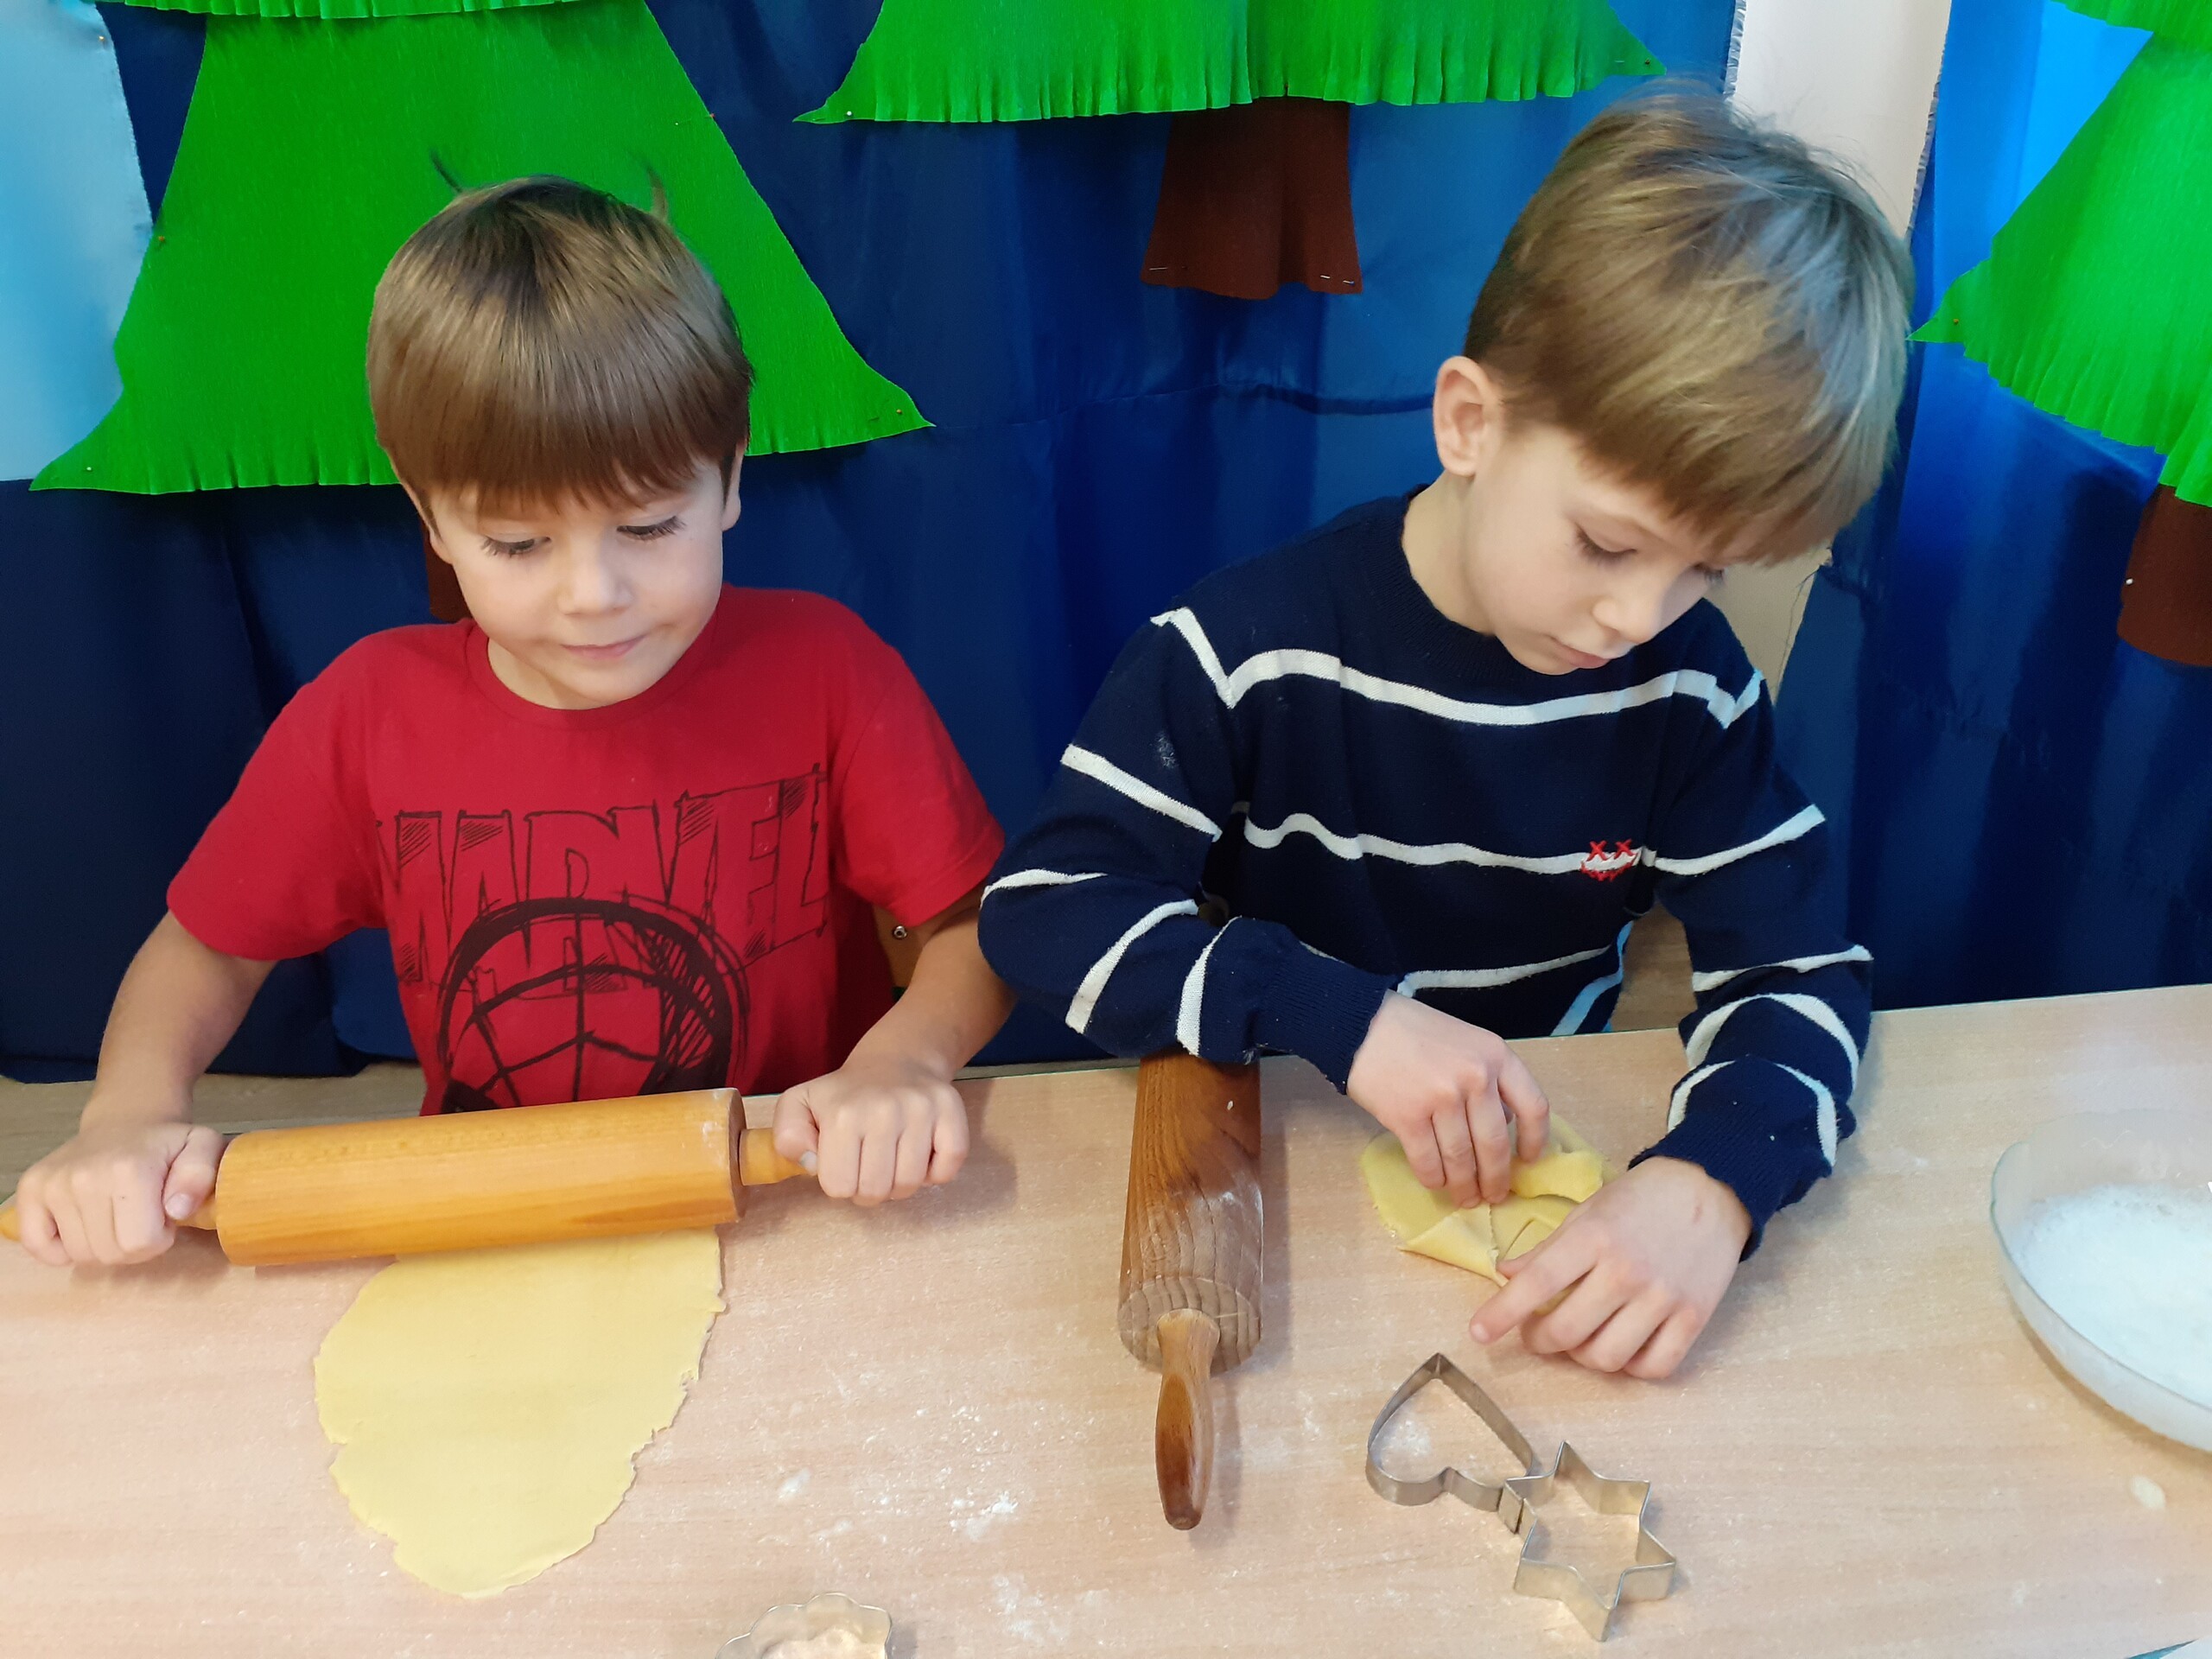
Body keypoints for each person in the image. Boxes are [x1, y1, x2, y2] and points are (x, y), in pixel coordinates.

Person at [979, 96, 1911, 1379]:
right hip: (1277, 1156)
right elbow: (1044, 911)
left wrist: (1712, 1185)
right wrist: (1341, 1016)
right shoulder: (1245, 653)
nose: (1639, 617)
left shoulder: (1688, 690)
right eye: (1607, 544)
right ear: (1470, 422)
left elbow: (1797, 973)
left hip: (1524, 1168)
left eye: (1706, 569)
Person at [14, 178, 1011, 1267]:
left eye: (648, 525)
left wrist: (902, 1063)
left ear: (729, 476)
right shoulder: (366, 715)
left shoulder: (827, 671)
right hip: (491, 1227)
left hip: (796, 1202)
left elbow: (974, 933)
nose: (594, 595)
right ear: (430, 514)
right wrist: (126, 1115)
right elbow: (203, 950)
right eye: (520, 545)